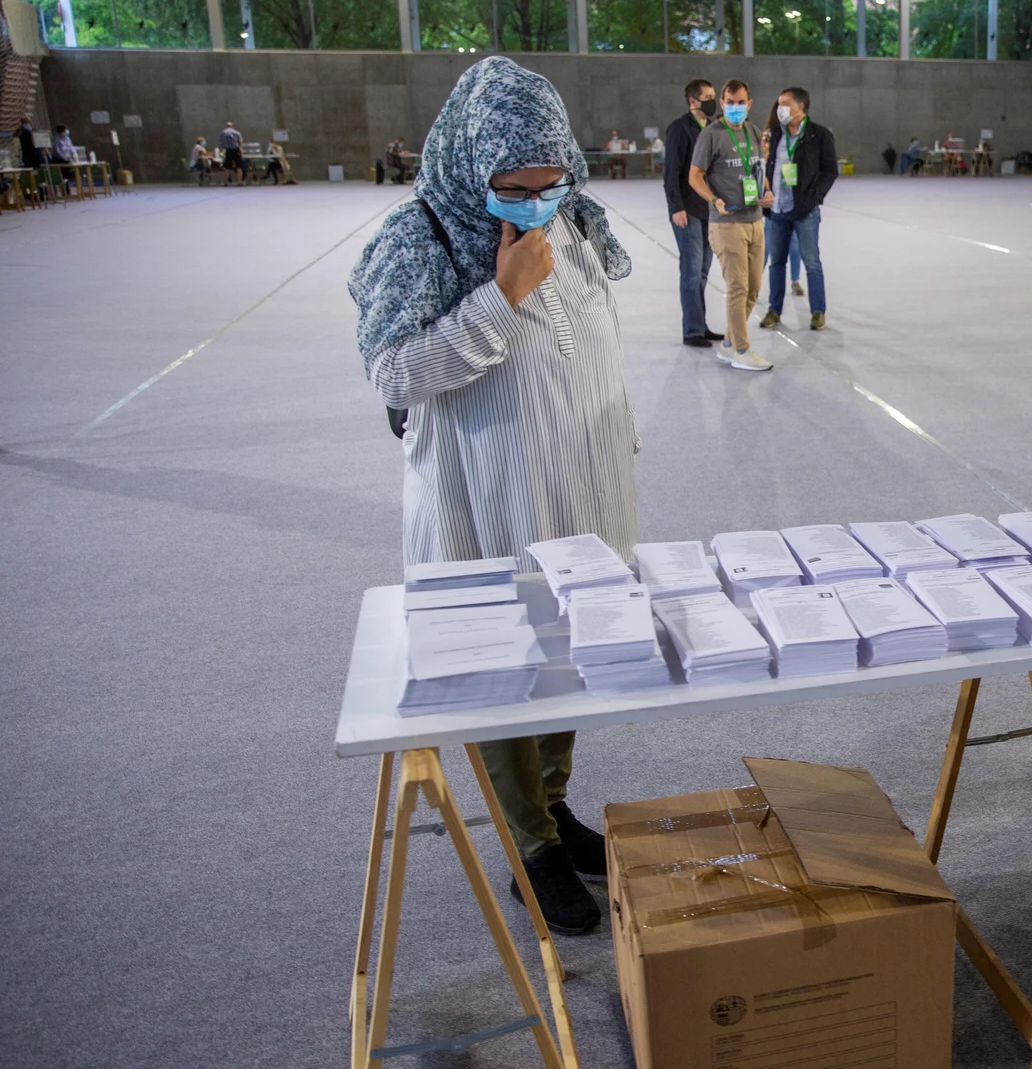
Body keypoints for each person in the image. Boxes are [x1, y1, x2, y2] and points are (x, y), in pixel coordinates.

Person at [349, 57, 635, 937]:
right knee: (505, 659)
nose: (534, 204)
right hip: (487, 499)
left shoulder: (572, 219)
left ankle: (553, 807)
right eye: (514, 189)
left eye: (549, 185)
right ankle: (528, 843)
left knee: (569, 649)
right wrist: (502, 299)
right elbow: (395, 368)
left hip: (582, 486)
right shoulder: (418, 237)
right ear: (473, 168)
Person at [689, 79, 773, 371]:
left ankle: (727, 344)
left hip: (755, 220)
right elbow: (695, 176)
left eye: (741, 103)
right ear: (722, 103)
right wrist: (714, 199)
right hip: (727, 224)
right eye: (730, 102)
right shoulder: (711, 135)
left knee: (752, 289)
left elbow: (758, 169)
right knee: (737, 288)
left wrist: (767, 191)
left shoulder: (752, 131)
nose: (735, 107)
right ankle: (742, 349)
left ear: (749, 104)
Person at [759, 87, 838, 333]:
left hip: (804, 210)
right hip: (777, 210)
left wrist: (815, 198)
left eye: (785, 103)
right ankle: (774, 310)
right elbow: (763, 167)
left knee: (811, 262)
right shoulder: (773, 135)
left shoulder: (819, 135)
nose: (779, 107)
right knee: (776, 264)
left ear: (800, 107)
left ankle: (818, 312)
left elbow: (830, 171)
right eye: (779, 103)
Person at [663, 79, 724, 349]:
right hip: (687, 211)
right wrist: (676, 207)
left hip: (709, 209)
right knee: (690, 271)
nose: (712, 101)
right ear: (692, 101)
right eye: (707, 97)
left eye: (714, 96)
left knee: (702, 272)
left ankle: (700, 324)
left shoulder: (713, 128)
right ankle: (692, 331)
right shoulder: (679, 129)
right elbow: (672, 173)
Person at [219, 121, 244, 185]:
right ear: (232, 126)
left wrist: (223, 151)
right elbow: (240, 142)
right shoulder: (236, 132)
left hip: (228, 150)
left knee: (227, 167)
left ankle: (225, 182)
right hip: (236, 150)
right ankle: (239, 182)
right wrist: (241, 152)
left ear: (226, 126)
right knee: (239, 166)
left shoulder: (223, 133)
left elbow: (221, 143)